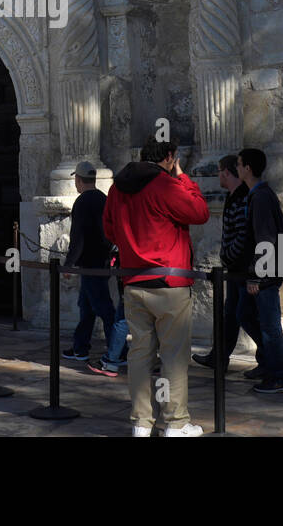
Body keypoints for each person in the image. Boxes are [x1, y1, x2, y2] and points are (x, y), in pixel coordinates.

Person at [103, 136, 209, 437]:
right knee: (173, 357)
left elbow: (109, 229)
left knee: (139, 355)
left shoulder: (116, 188)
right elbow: (200, 212)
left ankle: (141, 423)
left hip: (133, 282)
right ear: (170, 157)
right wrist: (183, 177)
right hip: (168, 281)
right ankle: (175, 424)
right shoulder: (166, 185)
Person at [235, 147, 283, 394]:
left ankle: (280, 375)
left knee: (269, 324)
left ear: (248, 168)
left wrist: (257, 276)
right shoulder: (257, 195)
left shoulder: (260, 197)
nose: (237, 168)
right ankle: (275, 360)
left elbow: (265, 238)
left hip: (265, 274)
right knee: (245, 314)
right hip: (265, 271)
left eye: (239, 164)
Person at [60, 161, 128, 377]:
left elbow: (78, 236)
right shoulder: (103, 198)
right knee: (86, 305)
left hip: (89, 262)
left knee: (104, 308)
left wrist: (69, 263)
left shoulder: (81, 202)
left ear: (78, 180)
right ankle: (80, 347)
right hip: (102, 259)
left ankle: (118, 351)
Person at [193, 153, 250, 371]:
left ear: (226, 172)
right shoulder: (233, 196)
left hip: (243, 268)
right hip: (235, 268)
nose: (218, 175)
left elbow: (244, 235)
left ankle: (274, 361)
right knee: (230, 316)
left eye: (218, 171)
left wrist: (230, 255)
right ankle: (218, 357)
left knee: (247, 317)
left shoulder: (244, 196)